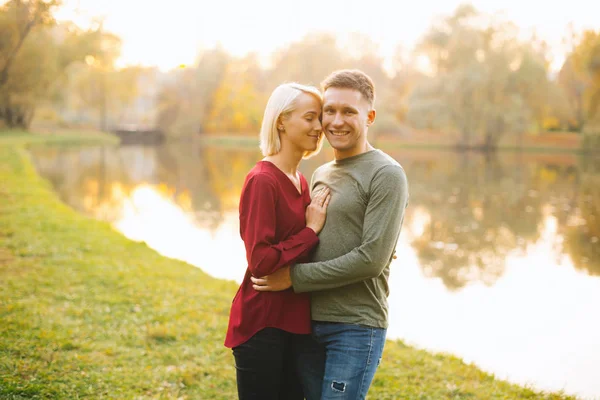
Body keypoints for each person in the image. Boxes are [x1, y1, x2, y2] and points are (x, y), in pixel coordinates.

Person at [251, 69, 410, 399]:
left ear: (370, 116)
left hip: (354, 326)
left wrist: (294, 277)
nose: (337, 121)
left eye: (349, 111)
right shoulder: (321, 172)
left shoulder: (387, 174)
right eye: (330, 110)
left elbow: (371, 260)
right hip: (306, 323)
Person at [224, 82, 332, 400]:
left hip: (295, 323)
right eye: (310, 117)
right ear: (281, 121)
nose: (319, 127)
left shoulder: (300, 179)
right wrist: (310, 231)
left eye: (319, 118)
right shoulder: (262, 181)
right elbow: (260, 262)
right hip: (263, 324)